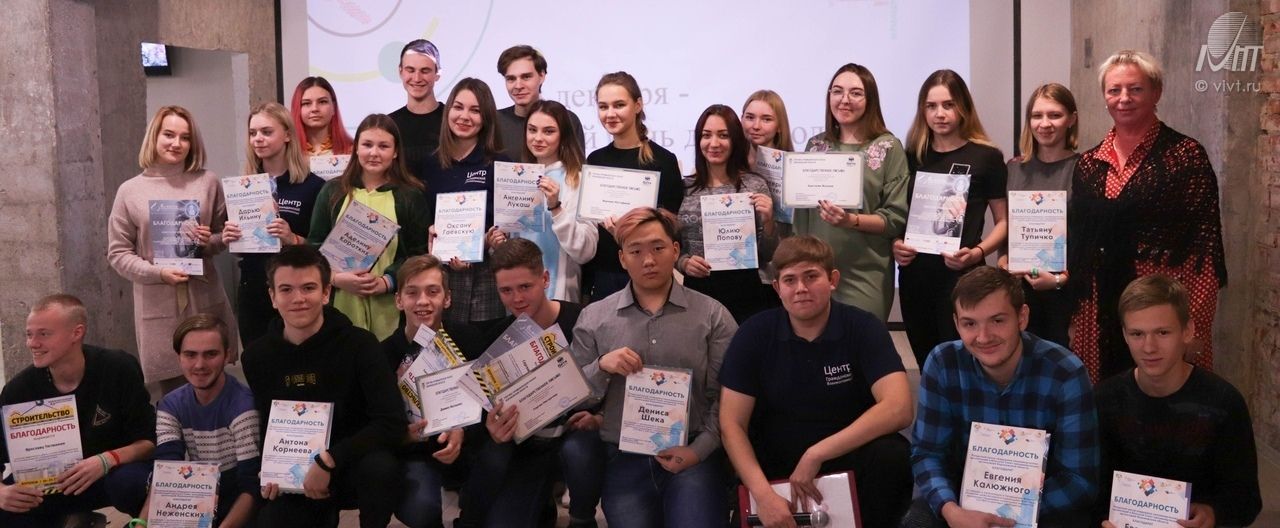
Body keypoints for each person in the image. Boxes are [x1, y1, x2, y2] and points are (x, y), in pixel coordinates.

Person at [720, 236, 913, 528]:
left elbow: (899, 408)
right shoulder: (753, 333)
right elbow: (731, 424)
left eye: (811, 276)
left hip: (846, 455)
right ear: (777, 288)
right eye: (790, 280)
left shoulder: (863, 327)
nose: (801, 288)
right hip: (775, 465)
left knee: (893, 455)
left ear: (833, 279)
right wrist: (763, 495)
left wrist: (817, 453)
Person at [569, 207, 738, 527]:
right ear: (622, 259)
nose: (648, 260)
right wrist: (602, 366)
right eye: (636, 251)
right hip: (624, 455)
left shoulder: (713, 315)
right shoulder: (594, 318)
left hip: (692, 450)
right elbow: (574, 397)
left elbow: (727, 397)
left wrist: (699, 450)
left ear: (675, 250)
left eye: (658, 248)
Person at [1066, 50, 1227, 384]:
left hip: (1160, 308)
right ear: (1104, 97)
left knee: (1167, 397)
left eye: (1135, 89)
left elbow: (1204, 250)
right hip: (1098, 311)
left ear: (1157, 92)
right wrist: (1075, 317)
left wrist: (1193, 325)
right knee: (1107, 399)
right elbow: (1080, 249)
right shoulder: (1089, 164)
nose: (1124, 98)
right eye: (1114, 90)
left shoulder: (1185, 157)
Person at [902, 266, 1098, 528]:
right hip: (962, 502)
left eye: (997, 321)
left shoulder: (1064, 371)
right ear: (956, 323)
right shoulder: (943, 362)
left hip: (1042, 506)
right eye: (970, 324)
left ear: (1022, 317)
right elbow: (927, 453)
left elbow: (1079, 479)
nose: (983, 337)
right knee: (917, 521)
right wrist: (951, 510)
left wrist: (1009, 513)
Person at [242, 245, 405, 528]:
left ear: (326, 292)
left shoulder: (360, 344)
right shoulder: (256, 357)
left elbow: (391, 422)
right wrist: (270, 471)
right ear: (272, 297)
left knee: (381, 468)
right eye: (286, 290)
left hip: (352, 461)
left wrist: (330, 460)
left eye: (308, 288)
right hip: (296, 472)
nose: (298, 299)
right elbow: (267, 424)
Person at [1095, 275, 1260, 528]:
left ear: (1188, 331)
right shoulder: (1103, 400)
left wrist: (1214, 513)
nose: (1149, 347)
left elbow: (1246, 499)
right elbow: (1091, 488)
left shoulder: (1224, 403)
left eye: (1162, 332)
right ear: (1124, 335)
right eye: (1137, 334)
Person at [458, 238, 603, 527]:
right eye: (506, 290)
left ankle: (582, 518)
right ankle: (541, 507)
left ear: (545, 279)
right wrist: (491, 427)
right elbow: (485, 406)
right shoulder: (498, 337)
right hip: (529, 446)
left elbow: (608, 384)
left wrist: (600, 417)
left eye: (525, 287)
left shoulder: (583, 320)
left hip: (576, 436)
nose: (517, 298)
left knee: (579, 451)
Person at [107, 105, 239, 390]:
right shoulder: (130, 191)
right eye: (169, 134)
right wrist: (158, 273)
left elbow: (221, 236)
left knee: (214, 385)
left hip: (204, 297)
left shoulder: (207, 182)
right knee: (173, 395)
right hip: (158, 302)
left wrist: (209, 241)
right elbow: (118, 254)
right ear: (154, 136)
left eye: (185, 137)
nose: (177, 143)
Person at [0, 295, 155, 528]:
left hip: (110, 474)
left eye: (44, 334)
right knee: (8, 507)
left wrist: (106, 460)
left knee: (130, 483)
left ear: (77, 333)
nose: (32, 343)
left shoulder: (117, 368)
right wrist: (1, 492)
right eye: (29, 334)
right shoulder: (18, 390)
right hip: (51, 484)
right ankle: (71, 519)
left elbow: (149, 442)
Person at [894, 70, 1008, 369]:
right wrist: (896, 243)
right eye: (931, 106)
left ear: (963, 107)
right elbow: (897, 213)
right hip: (915, 274)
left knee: (966, 362)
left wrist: (978, 253)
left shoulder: (987, 157)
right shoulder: (911, 155)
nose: (940, 114)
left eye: (948, 105)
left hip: (962, 274)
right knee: (927, 361)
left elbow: (1003, 222)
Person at [797, 63, 910, 322]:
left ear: (870, 100)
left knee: (862, 343)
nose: (845, 100)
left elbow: (895, 219)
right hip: (815, 272)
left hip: (865, 274)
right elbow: (802, 218)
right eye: (837, 91)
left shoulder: (888, 147)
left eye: (856, 93)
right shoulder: (816, 145)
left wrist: (851, 220)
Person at [382, 255, 486, 528]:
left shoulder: (469, 339)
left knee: (495, 471)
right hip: (414, 454)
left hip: (467, 448)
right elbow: (376, 423)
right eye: (412, 293)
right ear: (398, 300)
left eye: (432, 291)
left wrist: (463, 431)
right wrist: (404, 435)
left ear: (447, 298)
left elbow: (488, 404)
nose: (423, 301)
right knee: (422, 509)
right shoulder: (384, 354)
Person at [308, 113, 430, 341]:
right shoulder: (332, 192)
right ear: (356, 148)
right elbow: (313, 248)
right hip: (338, 303)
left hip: (392, 307)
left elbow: (419, 254)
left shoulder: (410, 196)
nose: (374, 153)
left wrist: (387, 281)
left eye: (383, 146)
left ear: (395, 152)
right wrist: (335, 278)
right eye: (367, 145)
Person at [141, 314, 260, 527]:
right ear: (179, 357)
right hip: (196, 494)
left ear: (227, 355)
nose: (199, 364)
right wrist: (140, 524)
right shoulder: (170, 404)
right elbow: (166, 472)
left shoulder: (243, 406)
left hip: (236, 496)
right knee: (126, 482)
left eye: (211, 354)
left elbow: (250, 487)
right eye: (190, 355)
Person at [224, 101, 325, 344]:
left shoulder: (313, 186)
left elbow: (325, 247)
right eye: (253, 133)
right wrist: (231, 237)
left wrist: (293, 239)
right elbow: (241, 250)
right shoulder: (242, 188)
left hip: (297, 290)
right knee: (257, 358)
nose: (258, 139)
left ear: (287, 135)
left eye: (267, 132)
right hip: (254, 288)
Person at [419, 78, 512, 331]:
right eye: (458, 107)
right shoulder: (430, 164)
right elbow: (425, 219)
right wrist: (432, 235)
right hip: (441, 273)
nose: (464, 116)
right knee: (443, 344)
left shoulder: (500, 163)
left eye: (475, 110)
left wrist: (488, 242)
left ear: (486, 118)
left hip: (487, 278)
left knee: (484, 345)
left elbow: (510, 224)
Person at [581, 72, 684, 301]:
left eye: (619, 105)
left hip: (650, 271)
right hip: (606, 274)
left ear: (638, 105)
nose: (610, 114)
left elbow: (672, 227)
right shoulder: (595, 160)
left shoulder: (663, 160)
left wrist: (628, 232)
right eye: (603, 106)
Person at [676, 104, 778, 323]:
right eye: (706, 135)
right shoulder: (683, 188)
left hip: (745, 291)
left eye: (723, 135)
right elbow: (670, 244)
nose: (714, 143)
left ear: (736, 140)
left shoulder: (755, 185)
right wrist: (683, 262)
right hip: (697, 290)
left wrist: (769, 222)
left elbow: (767, 255)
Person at [997, 83, 1079, 348]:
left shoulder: (1084, 168)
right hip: (1019, 288)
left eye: (1055, 115)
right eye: (1037, 115)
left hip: (1065, 292)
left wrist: (1059, 280)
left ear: (1071, 119)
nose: (1045, 124)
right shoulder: (1014, 168)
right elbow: (1007, 224)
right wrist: (1003, 258)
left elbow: (1088, 239)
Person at [523, 99, 600, 303]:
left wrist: (556, 208)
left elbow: (585, 251)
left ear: (563, 135)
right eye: (532, 130)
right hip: (518, 296)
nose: (538, 138)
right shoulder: (516, 178)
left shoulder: (578, 181)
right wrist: (498, 241)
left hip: (559, 296)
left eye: (548, 131)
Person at [494, 44, 585, 160]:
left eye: (526, 77)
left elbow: (576, 167)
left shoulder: (568, 119)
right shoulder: (493, 122)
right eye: (511, 79)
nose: (518, 86)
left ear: (542, 76)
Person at [390, 39, 445, 171]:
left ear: (437, 73)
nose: (417, 78)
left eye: (425, 71)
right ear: (400, 72)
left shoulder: (453, 121)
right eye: (410, 70)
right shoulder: (389, 125)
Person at [290, 76, 354, 157]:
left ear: (334, 107)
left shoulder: (352, 151)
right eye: (306, 103)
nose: (315, 109)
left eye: (322, 102)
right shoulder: (287, 151)